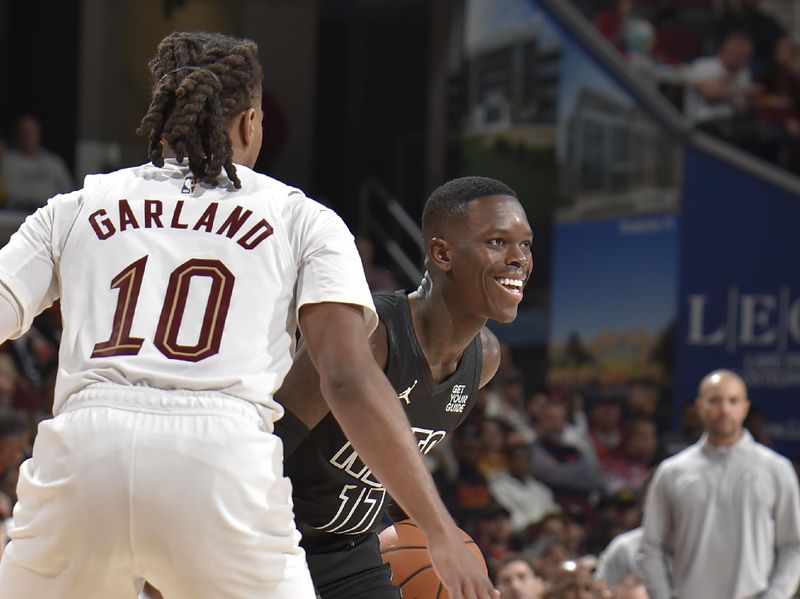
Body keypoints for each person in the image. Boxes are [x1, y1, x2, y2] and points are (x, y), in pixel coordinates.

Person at [0, 32, 497, 599]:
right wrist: (438, 530)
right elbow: (347, 377)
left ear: (160, 117)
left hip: (81, 457)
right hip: (219, 465)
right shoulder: (302, 219)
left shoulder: (77, 206)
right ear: (251, 122)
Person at [274, 176, 533, 597]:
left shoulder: (484, 360)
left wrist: (429, 542)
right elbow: (268, 439)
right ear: (442, 253)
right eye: (498, 242)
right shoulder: (370, 333)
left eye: (526, 245)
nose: (519, 258)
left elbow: (387, 468)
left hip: (349, 553)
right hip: (277, 539)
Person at [640, 369, 800, 599]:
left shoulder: (776, 469)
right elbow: (651, 546)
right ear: (699, 407)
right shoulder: (672, 471)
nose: (724, 410)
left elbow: (794, 544)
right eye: (714, 400)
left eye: (733, 401)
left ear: (745, 407)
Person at [0, 115, 73, 211]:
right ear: (17, 134)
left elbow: (69, 192)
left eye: (31, 132)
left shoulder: (54, 162)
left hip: (50, 213)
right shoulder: (6, 161)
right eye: (24, 132)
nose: (27, 136)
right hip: (15, 213)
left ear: (39, 133)